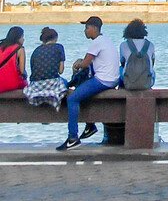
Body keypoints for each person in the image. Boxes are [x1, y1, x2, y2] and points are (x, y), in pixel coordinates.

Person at [56, 16, 119, 151]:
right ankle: (90, 126)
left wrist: (77, 64)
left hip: (104, 80)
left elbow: (84, 64)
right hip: (113, 79)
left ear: (94, 28)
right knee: (81, 91)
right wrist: (81, 62)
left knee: (72, 99)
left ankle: (73, 138)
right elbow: (89, 62)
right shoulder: (106, 41)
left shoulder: (96, 42)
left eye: (87, 28)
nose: (85, 31)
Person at [23, 27, 67, 109]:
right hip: (53, 83)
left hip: (35, 85)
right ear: (56, 38)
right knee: (65, 83)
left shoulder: (36, 50)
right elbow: (60, 71)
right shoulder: (59, 47)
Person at [119, 19, 156, 89]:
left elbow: (122, 62)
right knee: (152, 70)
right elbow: (153, 62)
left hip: (129, 82)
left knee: (120, 68)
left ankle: (121, 89)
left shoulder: (124, 45)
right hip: (147, 82)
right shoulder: (150, 45)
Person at [0, 26, 26, 93]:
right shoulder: (20, 49)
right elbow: (22, 71)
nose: (23, 39)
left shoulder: (1, 46)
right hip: (13, 83)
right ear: (18, 37)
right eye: (22, 37)